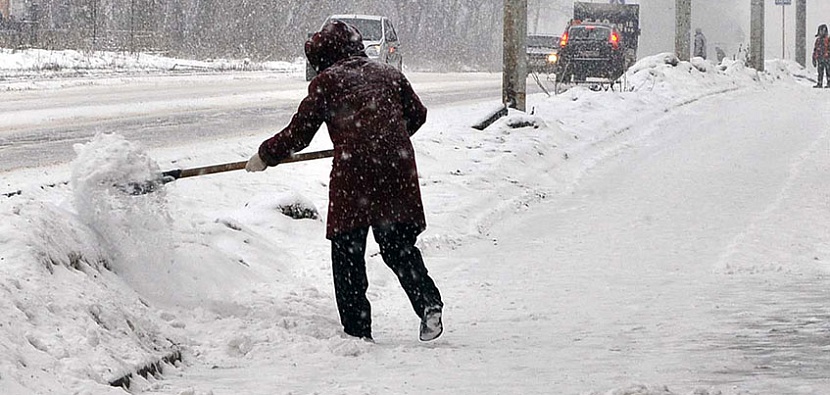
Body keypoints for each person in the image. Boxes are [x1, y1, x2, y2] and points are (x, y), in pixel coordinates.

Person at [245, 20, 444, 342]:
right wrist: (387, 138)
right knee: (397, 246)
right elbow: (417, 114)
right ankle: (428, 303)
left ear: (324, 57)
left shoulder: (328, 82)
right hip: (396, 169)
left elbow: (299, 134)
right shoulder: (388, 74)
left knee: (348, 250)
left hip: (354, 176)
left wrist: (266, 156)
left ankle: (357, 330)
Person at [813, 24, 830, 88]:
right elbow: (815, 50)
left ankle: (829, 83)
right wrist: (814, 58)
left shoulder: (828, 39)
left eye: (822, 31)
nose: (821, 33)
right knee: (820, 72)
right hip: (820, 59)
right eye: (820, 31)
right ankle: (819, 83)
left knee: (828, 71)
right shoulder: (818, 40)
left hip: (827, 58)